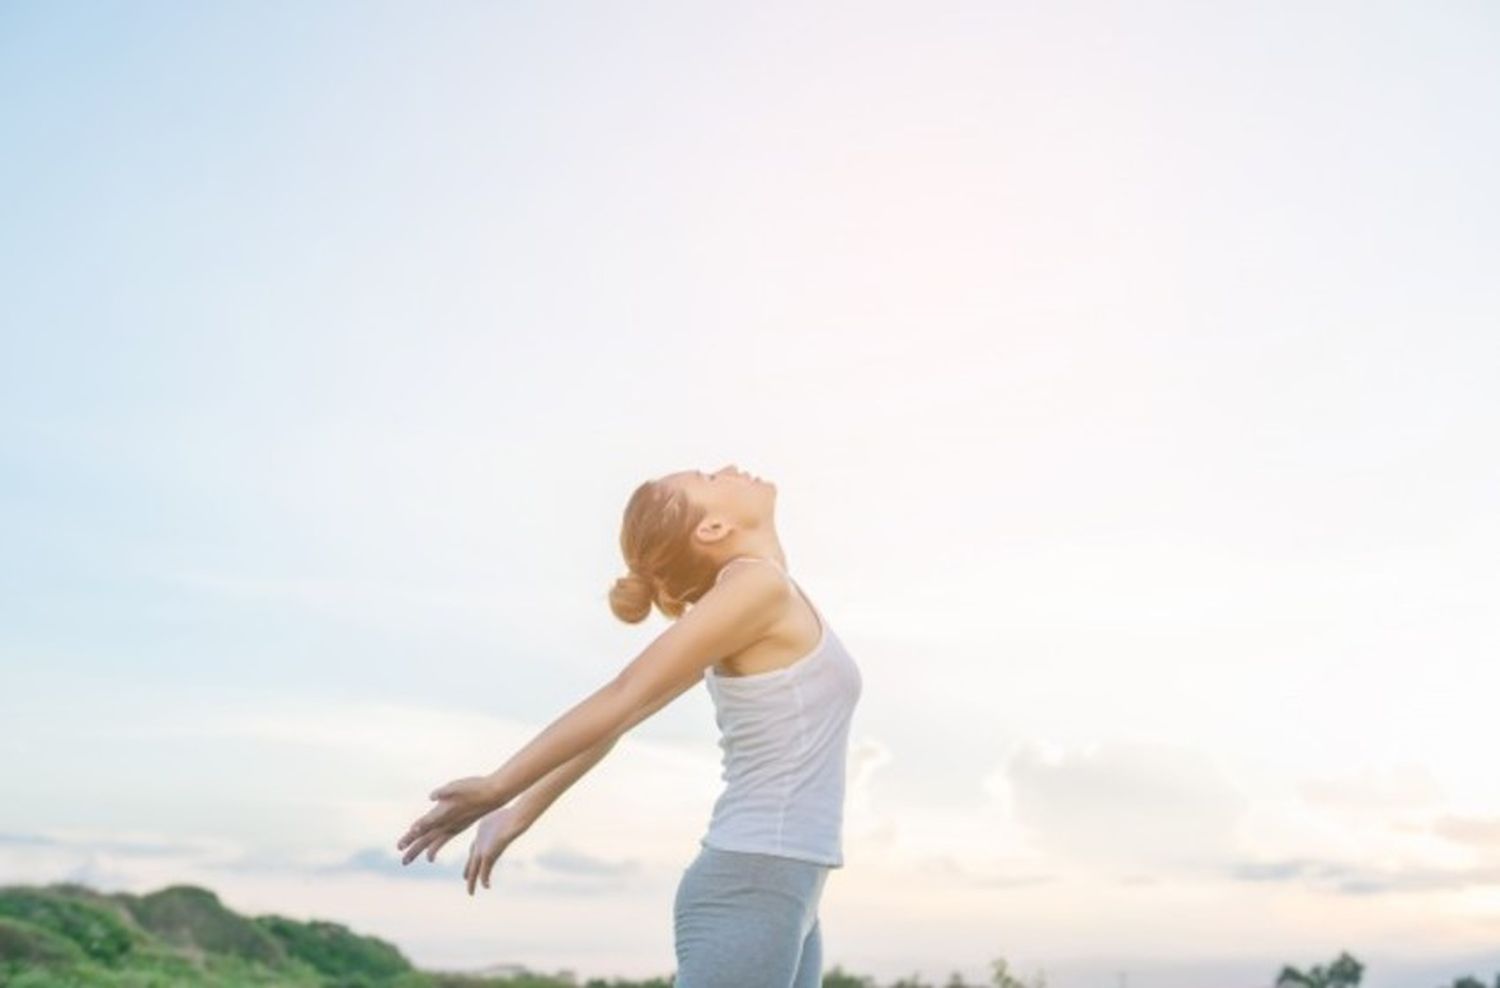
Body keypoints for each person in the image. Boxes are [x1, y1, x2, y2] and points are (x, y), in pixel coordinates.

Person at [395, 463, 863, 988]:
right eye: (709, 479)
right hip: (753, 879)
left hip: (788, 882)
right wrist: (500, 786)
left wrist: (519, 811)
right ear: (711, 530)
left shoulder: (755, 598)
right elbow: (626, 694)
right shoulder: (758, 587)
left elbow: (622, 718)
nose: (728, 469)